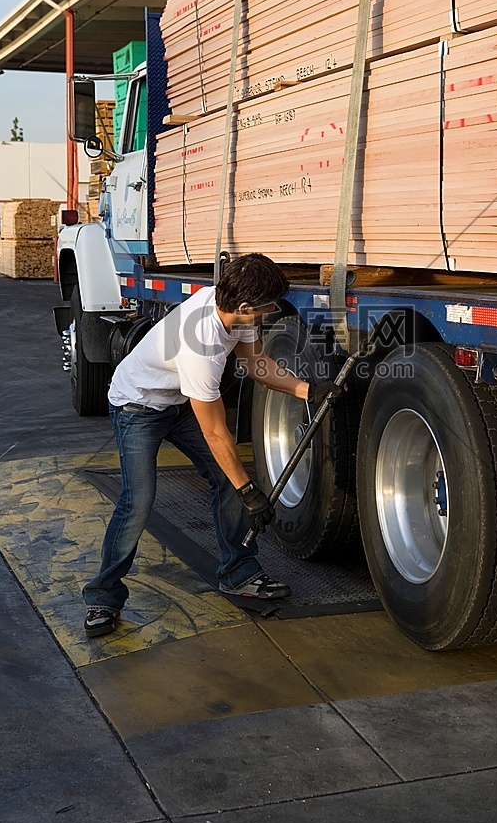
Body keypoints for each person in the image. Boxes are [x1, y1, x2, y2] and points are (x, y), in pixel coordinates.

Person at [82, 252, 340, 637]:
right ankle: (103, 596)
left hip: (175, 400)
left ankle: (238, 573)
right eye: (269, 306)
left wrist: (307, 391)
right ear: (245, 306)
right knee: (140, 499)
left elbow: (258, 365)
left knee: (227, 480)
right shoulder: (201, 342)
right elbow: (216, 433)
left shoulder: (237, 315)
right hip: (136, 405)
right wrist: (248, 490)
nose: (272, 312)